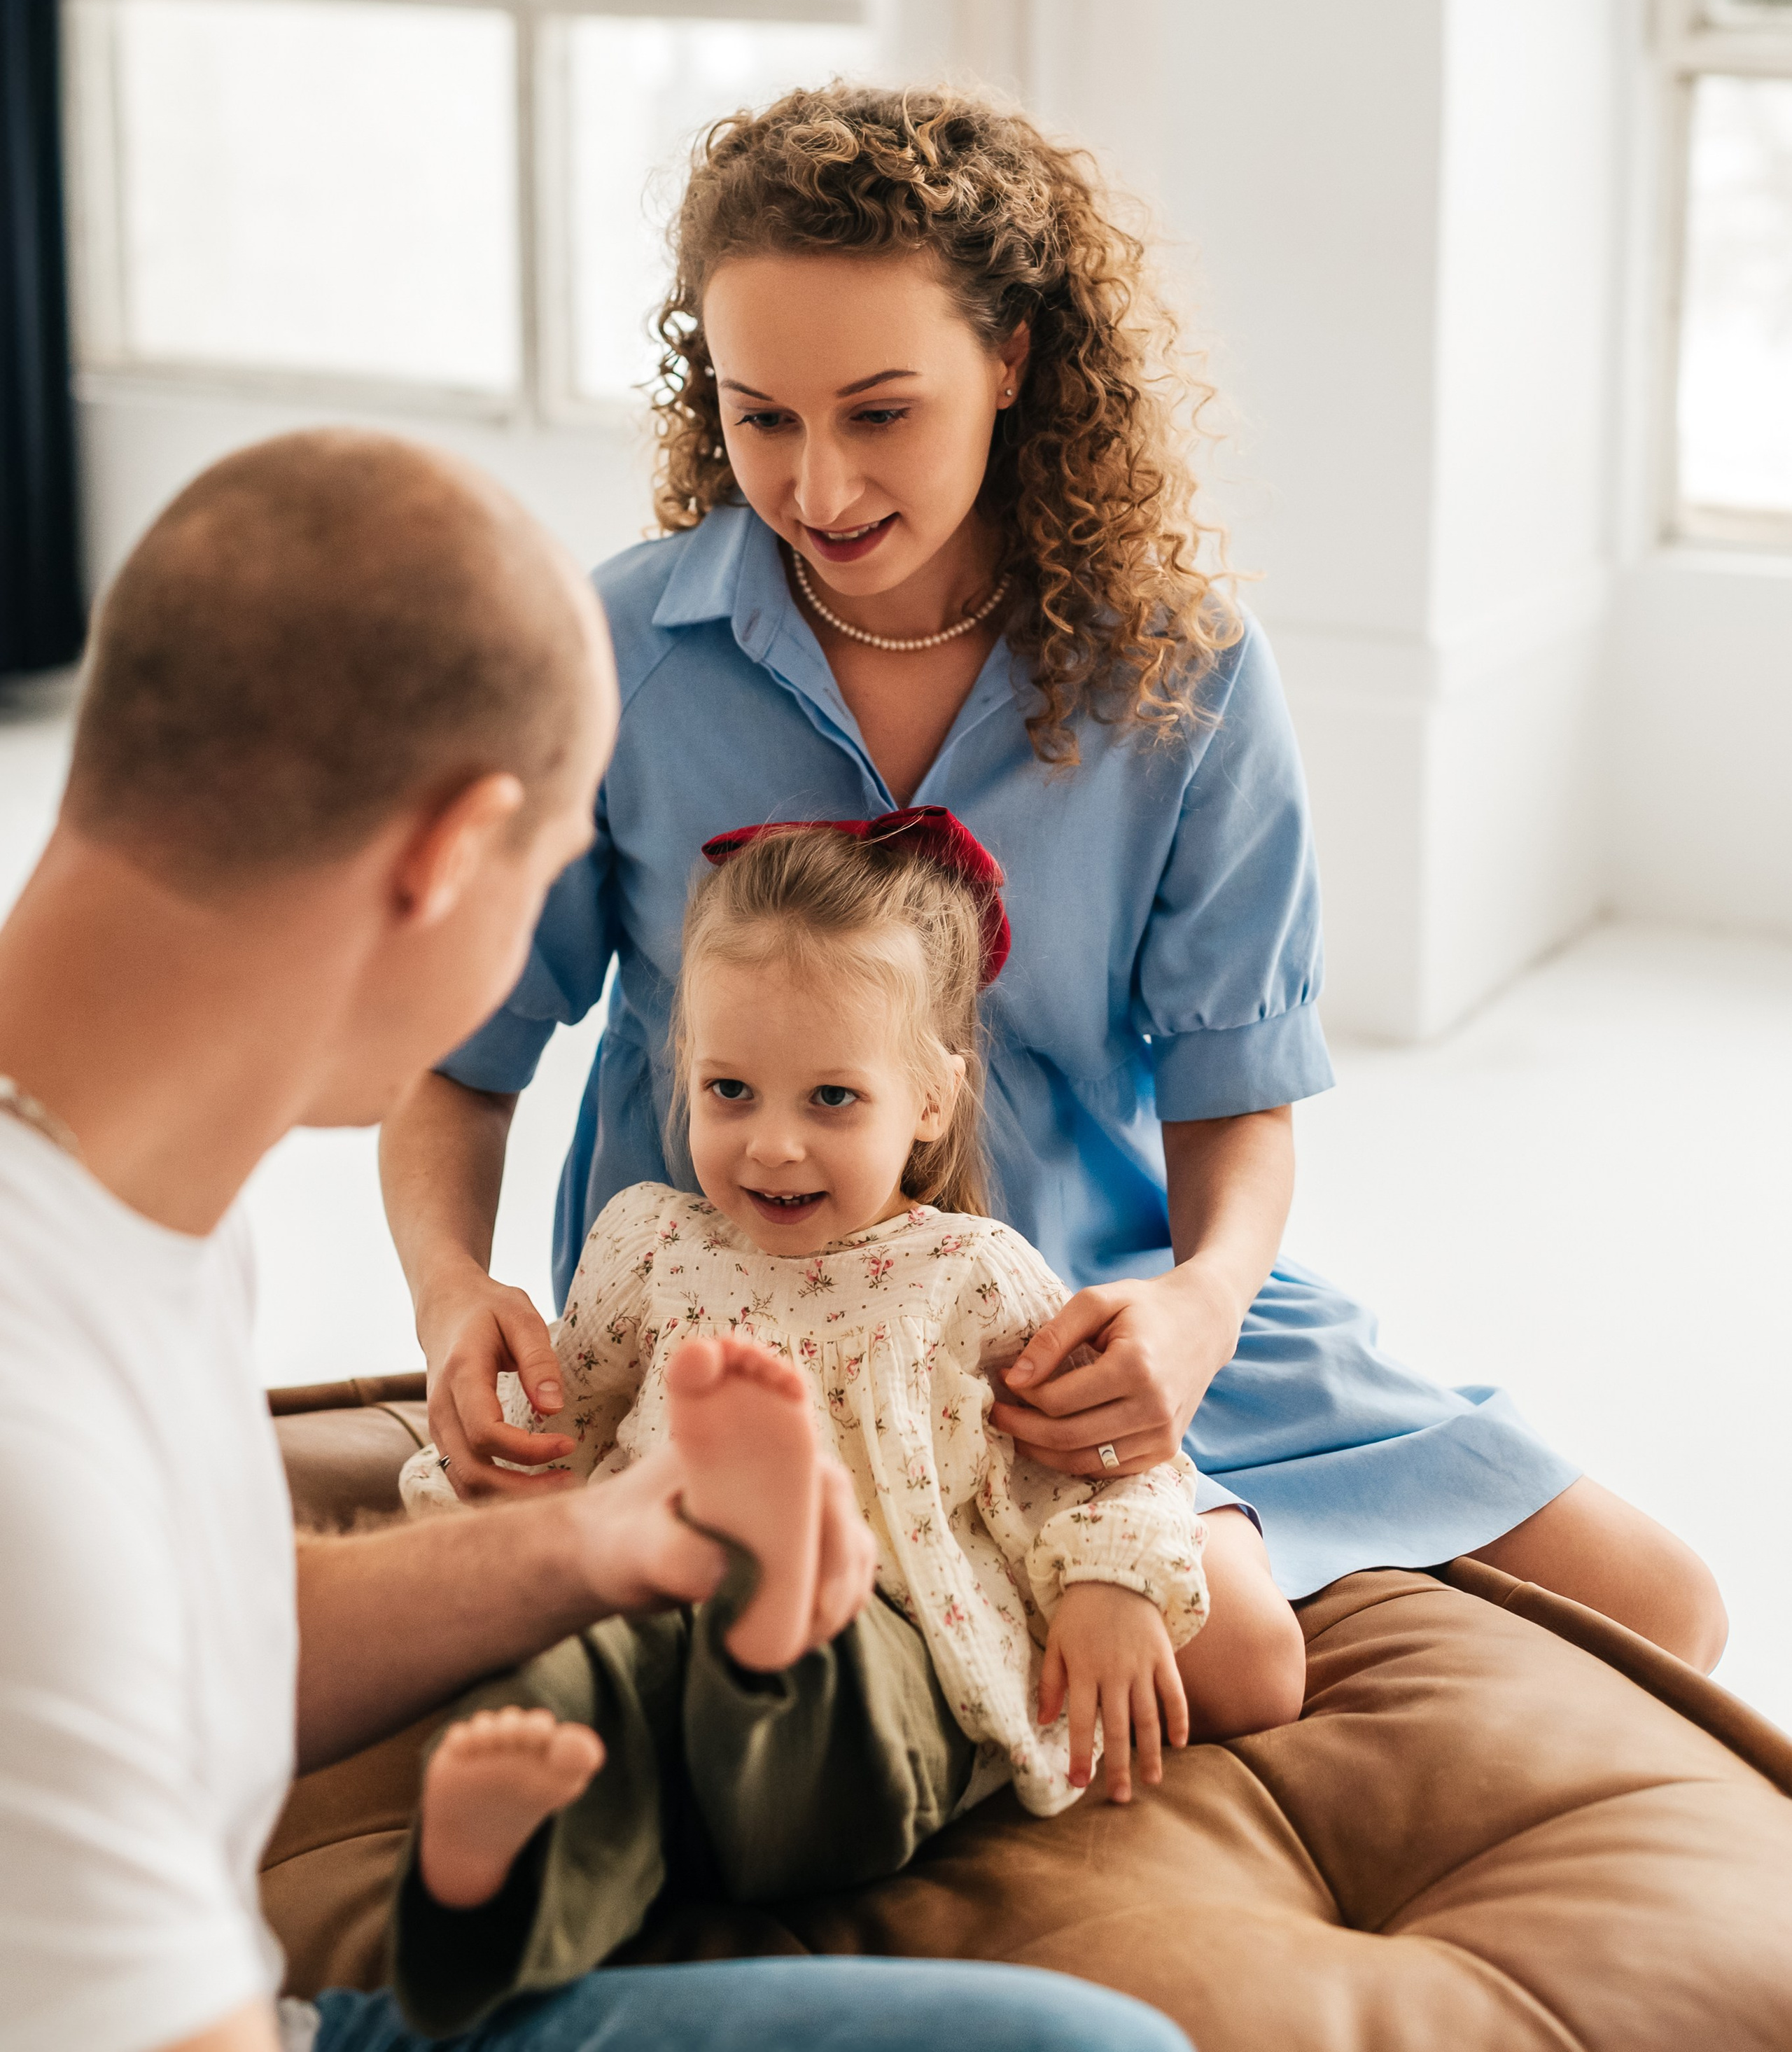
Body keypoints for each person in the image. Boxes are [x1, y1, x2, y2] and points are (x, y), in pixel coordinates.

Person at [381, 83, 1727, 1673]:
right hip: (763, 1326)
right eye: (761, 415)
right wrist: (448, 1295)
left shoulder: (1188, 676)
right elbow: (452, 1067)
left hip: (1102, 1312)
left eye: (879, 413)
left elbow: (1237, 1094)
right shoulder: (615, 659)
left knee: (1663, 1604)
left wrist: (1200, 1310)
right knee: (1228, 1654)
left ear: (1011, 360)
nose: (816, 487)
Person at [0, 429, 1193, 2052]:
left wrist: (598, 1541)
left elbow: (163, 1639)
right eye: (555, 862)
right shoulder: (31, 1439)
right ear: (443, 860)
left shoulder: (112, 1204)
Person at [386, 812, 1284, 2035]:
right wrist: (493, 1486)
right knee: (575, 1681)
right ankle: (477, 1901)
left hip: (889, 1650)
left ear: (929, 1098)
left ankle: (782, 1607)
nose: (771, 1142)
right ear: (685, 1069)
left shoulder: (976, 1274)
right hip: (657, 1608)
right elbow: (570, 1424)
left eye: (831, 1098)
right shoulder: (650, 1243)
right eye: (731, 1090)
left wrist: (1113, 1588)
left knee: (837, 1683)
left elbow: (1112, 1465)